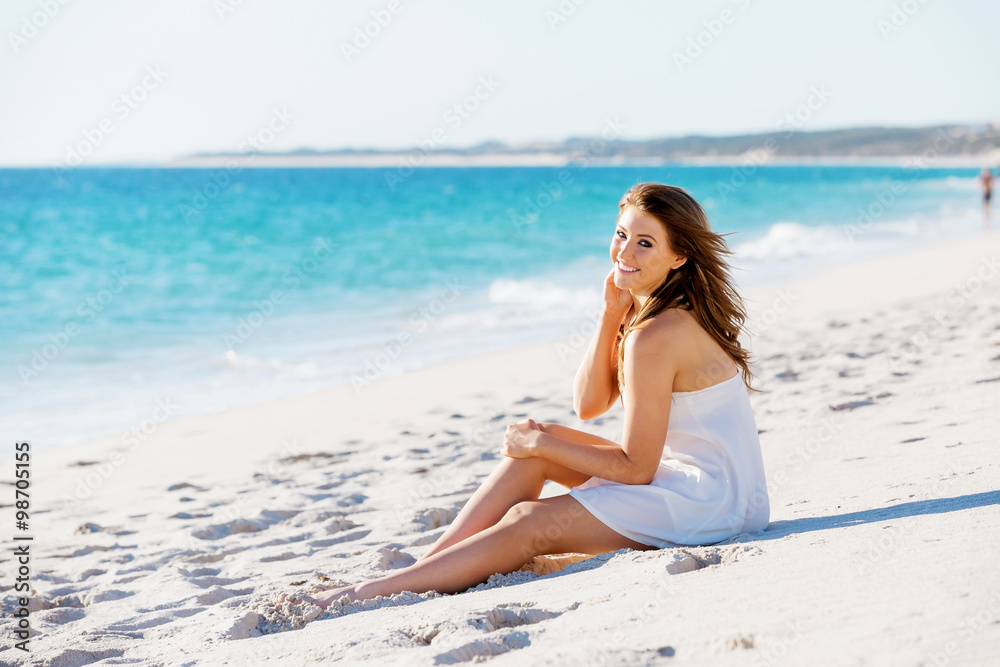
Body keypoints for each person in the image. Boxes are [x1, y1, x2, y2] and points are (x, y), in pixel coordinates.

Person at [283, 182, 770, 610]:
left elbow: (636, 469)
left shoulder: (658, 334)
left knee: (528, 516)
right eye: (622, 235)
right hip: (704, 484)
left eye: (645, 243)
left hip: (715, 502)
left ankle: (373, 593)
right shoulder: (652, 312)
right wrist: (609, 315)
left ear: (679, 256)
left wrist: (540, 446)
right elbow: (589, 405)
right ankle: (419, 573)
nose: (625, 252)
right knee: (536, 447)